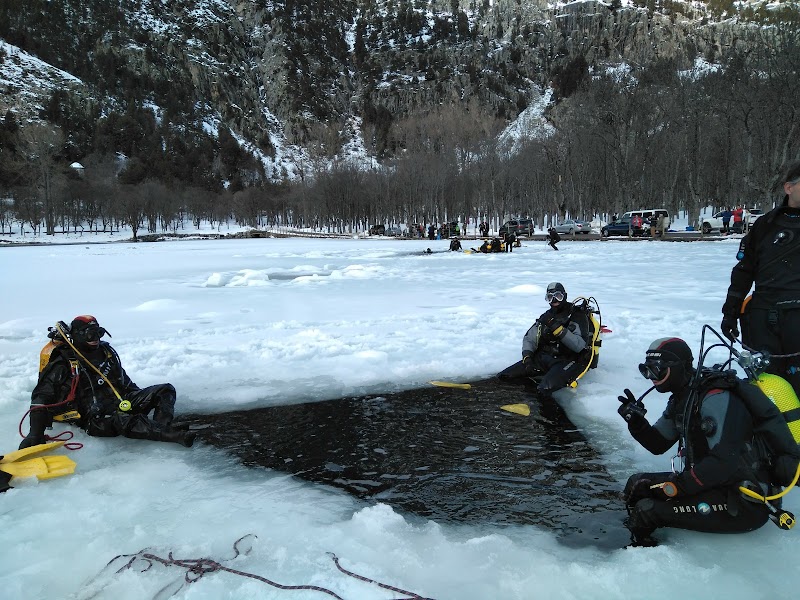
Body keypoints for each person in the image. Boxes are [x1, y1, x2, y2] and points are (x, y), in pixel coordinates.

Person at [618, 337, 799, 547]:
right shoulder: (684, 398)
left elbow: (724, 463)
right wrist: (637, 423)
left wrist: (676, 487)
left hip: (743, 500)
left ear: (677, 367)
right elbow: (658, 444)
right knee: (637, 484)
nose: (651, 377)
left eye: (657, 370)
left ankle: (634, 555)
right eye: (646, 370)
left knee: (647, 511)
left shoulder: (714, 398)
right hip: (712, 485)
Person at [19, 316, 196, 449]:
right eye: (90, 334)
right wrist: (35, 434)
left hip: (119, 401)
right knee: (123, 420)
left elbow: (123, 381)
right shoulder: (63, 362)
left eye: (99, 333)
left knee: (165, 390)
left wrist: (140, 398)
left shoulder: (105, 352)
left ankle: (162, 426)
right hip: (91, 418)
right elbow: (40, 397)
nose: (95, 338)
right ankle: (172, 435)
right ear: (78, 336)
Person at [720, 160, 800, 398]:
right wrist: (730, 311)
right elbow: (744, 271)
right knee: (766, 386)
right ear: (789, 188)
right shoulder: (765, 225)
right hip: (764, 318)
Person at [497, 282, 591, 396]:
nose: (554, 300)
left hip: (566, 360)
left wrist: (556, 328)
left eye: (558, 296)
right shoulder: (547, 316)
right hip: (544, 358)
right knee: (504, 377)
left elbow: (579, 346)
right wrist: (528, 358)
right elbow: (529, 338)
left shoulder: (577, 315)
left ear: (564, 296)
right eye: (550, 297)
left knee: (543, 389)